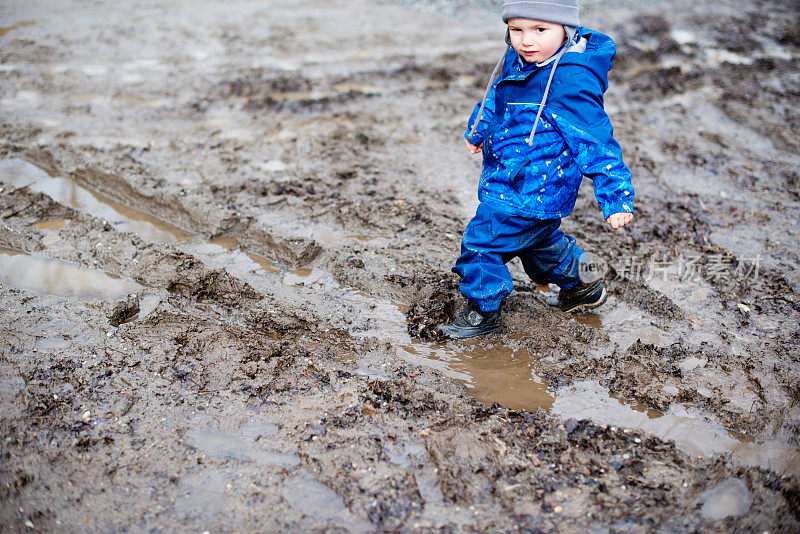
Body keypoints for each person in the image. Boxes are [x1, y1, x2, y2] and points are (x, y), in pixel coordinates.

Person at [442, 0, 634, 339]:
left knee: (481, 244)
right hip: (523, 182)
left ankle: (483, 311)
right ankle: (583, 284)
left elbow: (596, 140)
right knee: (540, 244)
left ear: (566, 30)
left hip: (530, 188)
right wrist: (478, 129)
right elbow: (495, 96)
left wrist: (615, 196)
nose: (526, 41)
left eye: (539, 30)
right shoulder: (520, 60)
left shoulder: (570, 80)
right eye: (517, 30)